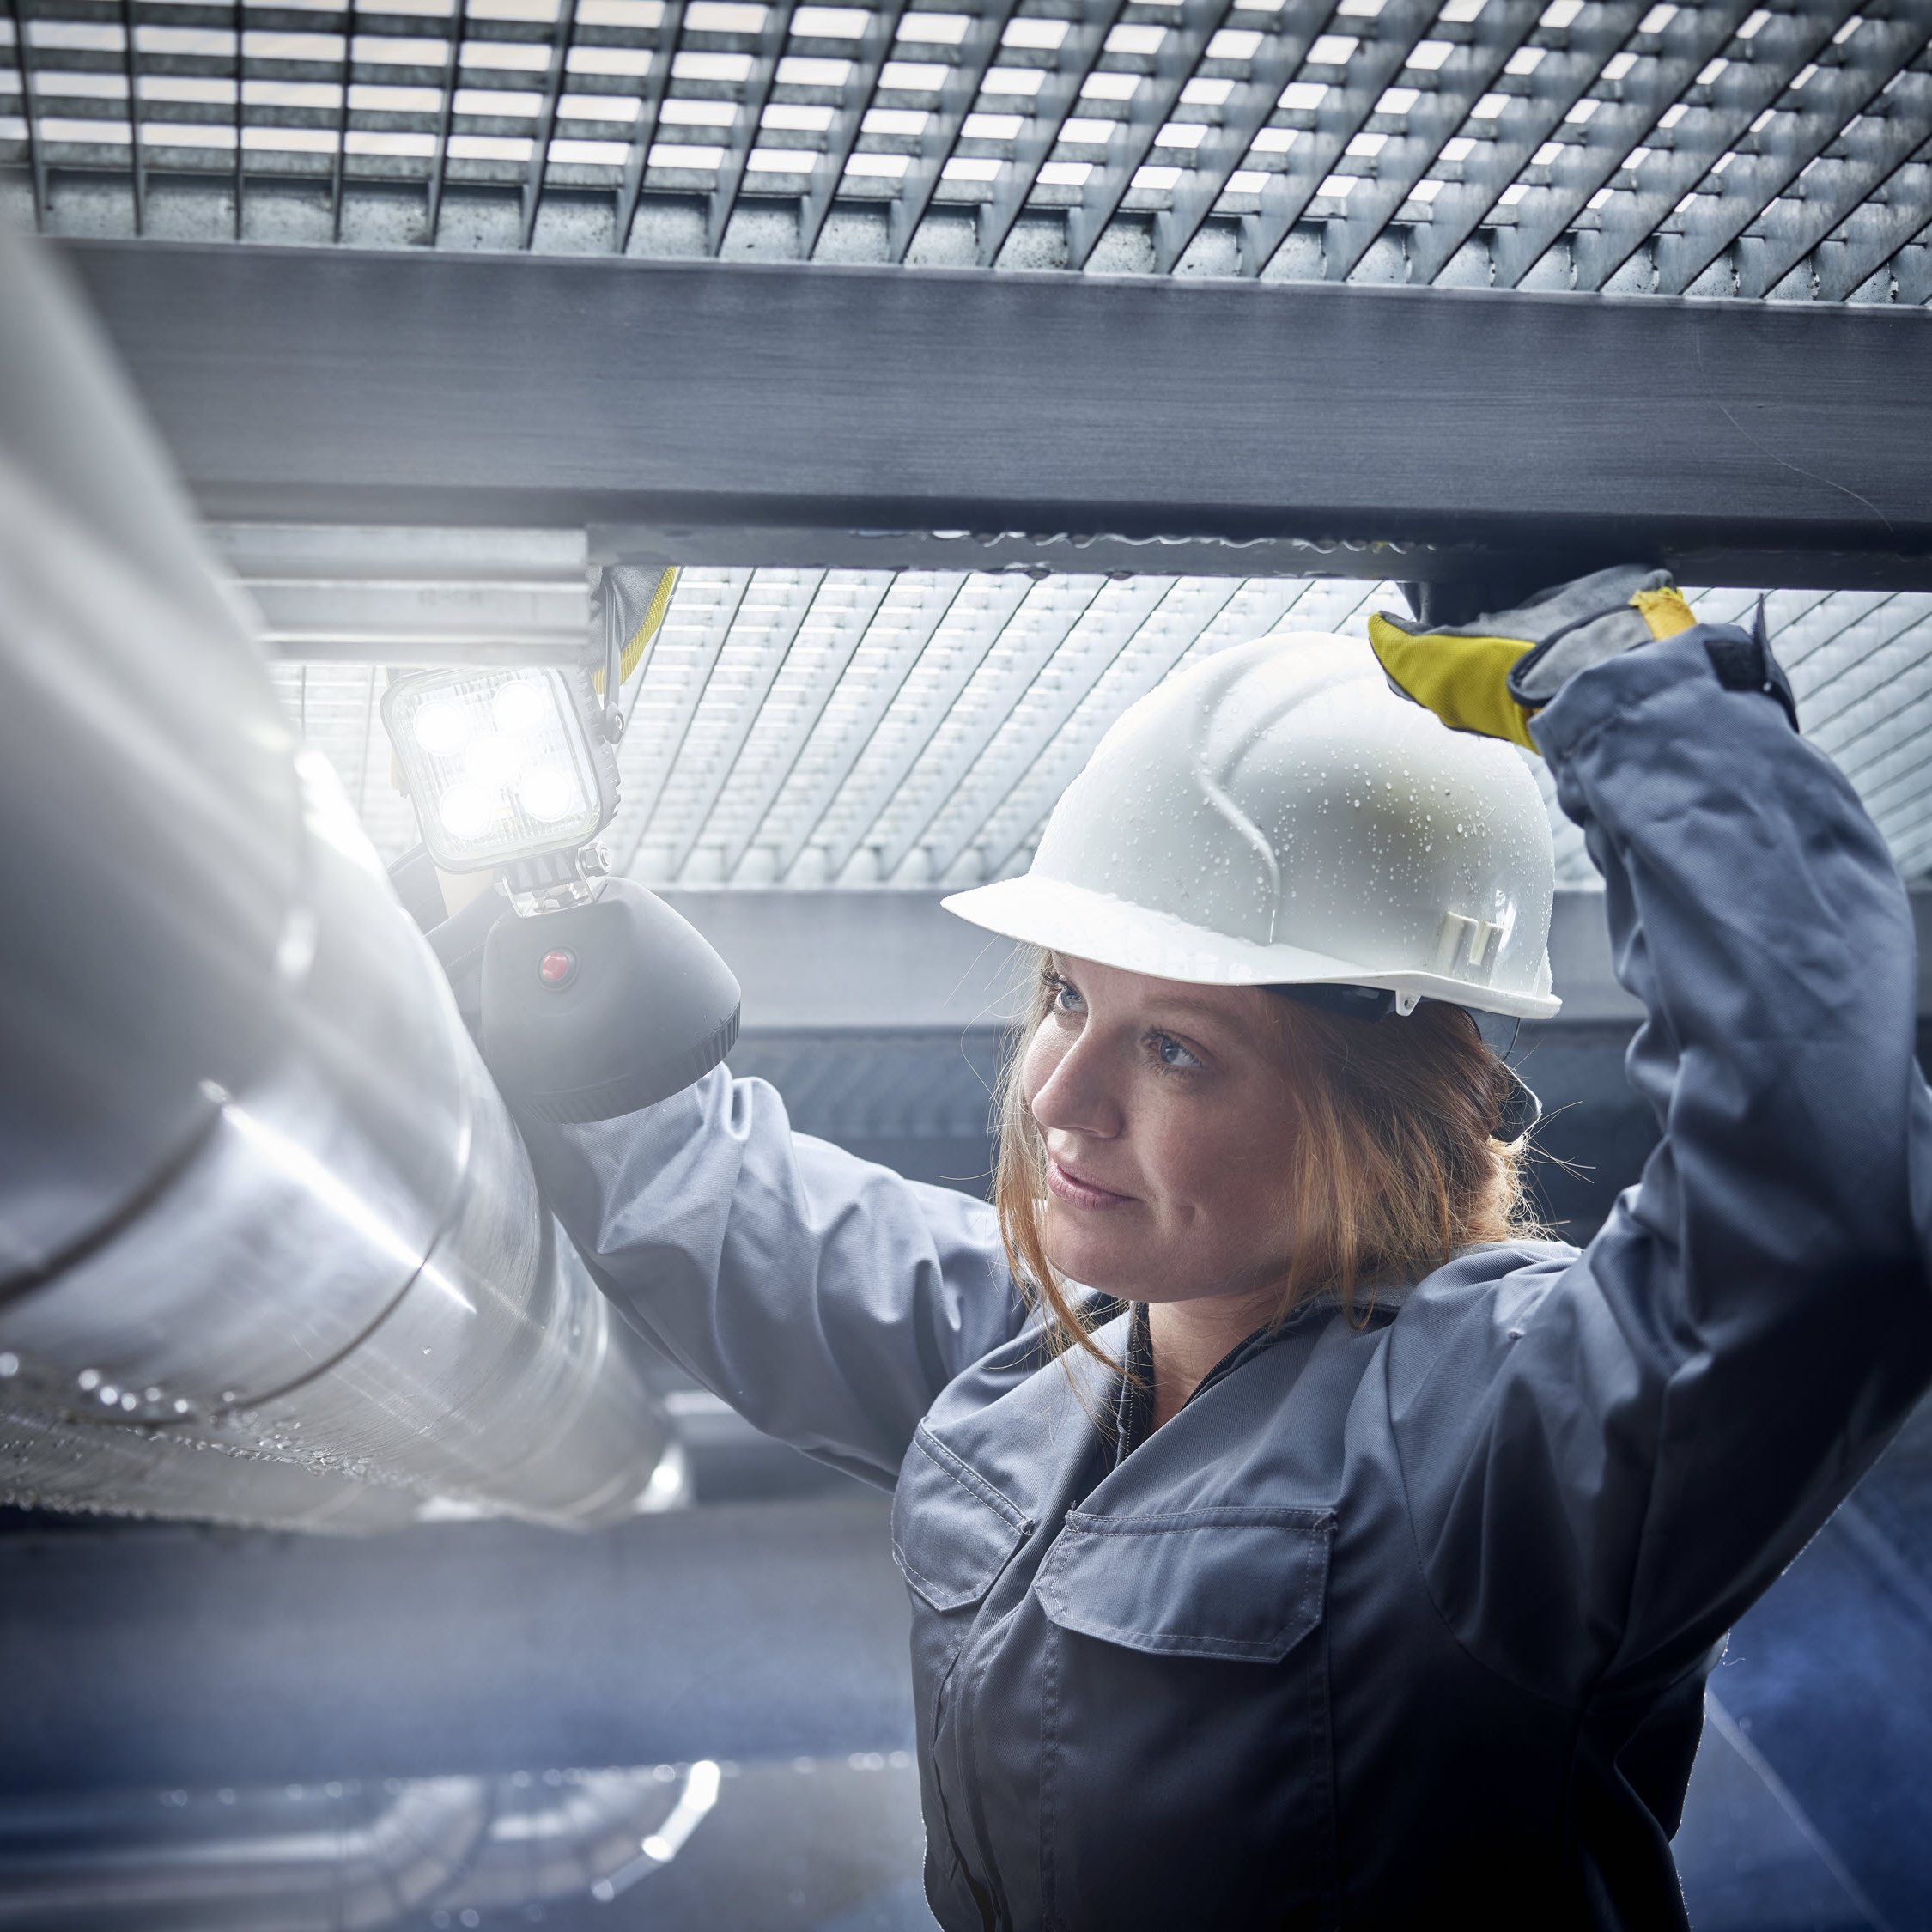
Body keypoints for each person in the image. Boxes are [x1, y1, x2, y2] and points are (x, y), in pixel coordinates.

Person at [513, 567, 1932, 1930]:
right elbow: (720, 1208)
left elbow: (1825, 1200)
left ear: (1382, 1109)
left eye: (1176, 1048)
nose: (1058, 1097)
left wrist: (1628, 685)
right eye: (1065, 996)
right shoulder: (1037, 1356)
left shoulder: (1502, 1431)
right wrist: (519, 887)